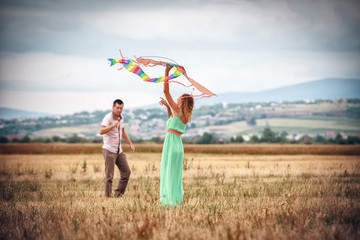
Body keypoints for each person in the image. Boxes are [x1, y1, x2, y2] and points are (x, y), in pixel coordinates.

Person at [159, 65, 194, 206]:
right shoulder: (183, 115)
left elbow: (165, 91)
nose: (177, 99)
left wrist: (166, 72)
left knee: (168, 172)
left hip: (171, 144)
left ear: (182, 101)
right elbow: (171, 122)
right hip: (177, 144)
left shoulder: (177, 109)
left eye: (179, 98)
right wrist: (168, 107)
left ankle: (168, 201)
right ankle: (175, 200)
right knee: (174, 175)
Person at [99, 99, 135, 197]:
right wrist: (112, 126)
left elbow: (122, 131)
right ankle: (108, 196)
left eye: (121, 108)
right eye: (117, 108)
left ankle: (118, 194)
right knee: (109, 176)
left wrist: (130, 143)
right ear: (113, 107)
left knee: (126, 172)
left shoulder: (121, 118)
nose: (119, 110)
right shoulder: (108, 118)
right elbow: (101, 131)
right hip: (109, 149)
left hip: (119, 150)